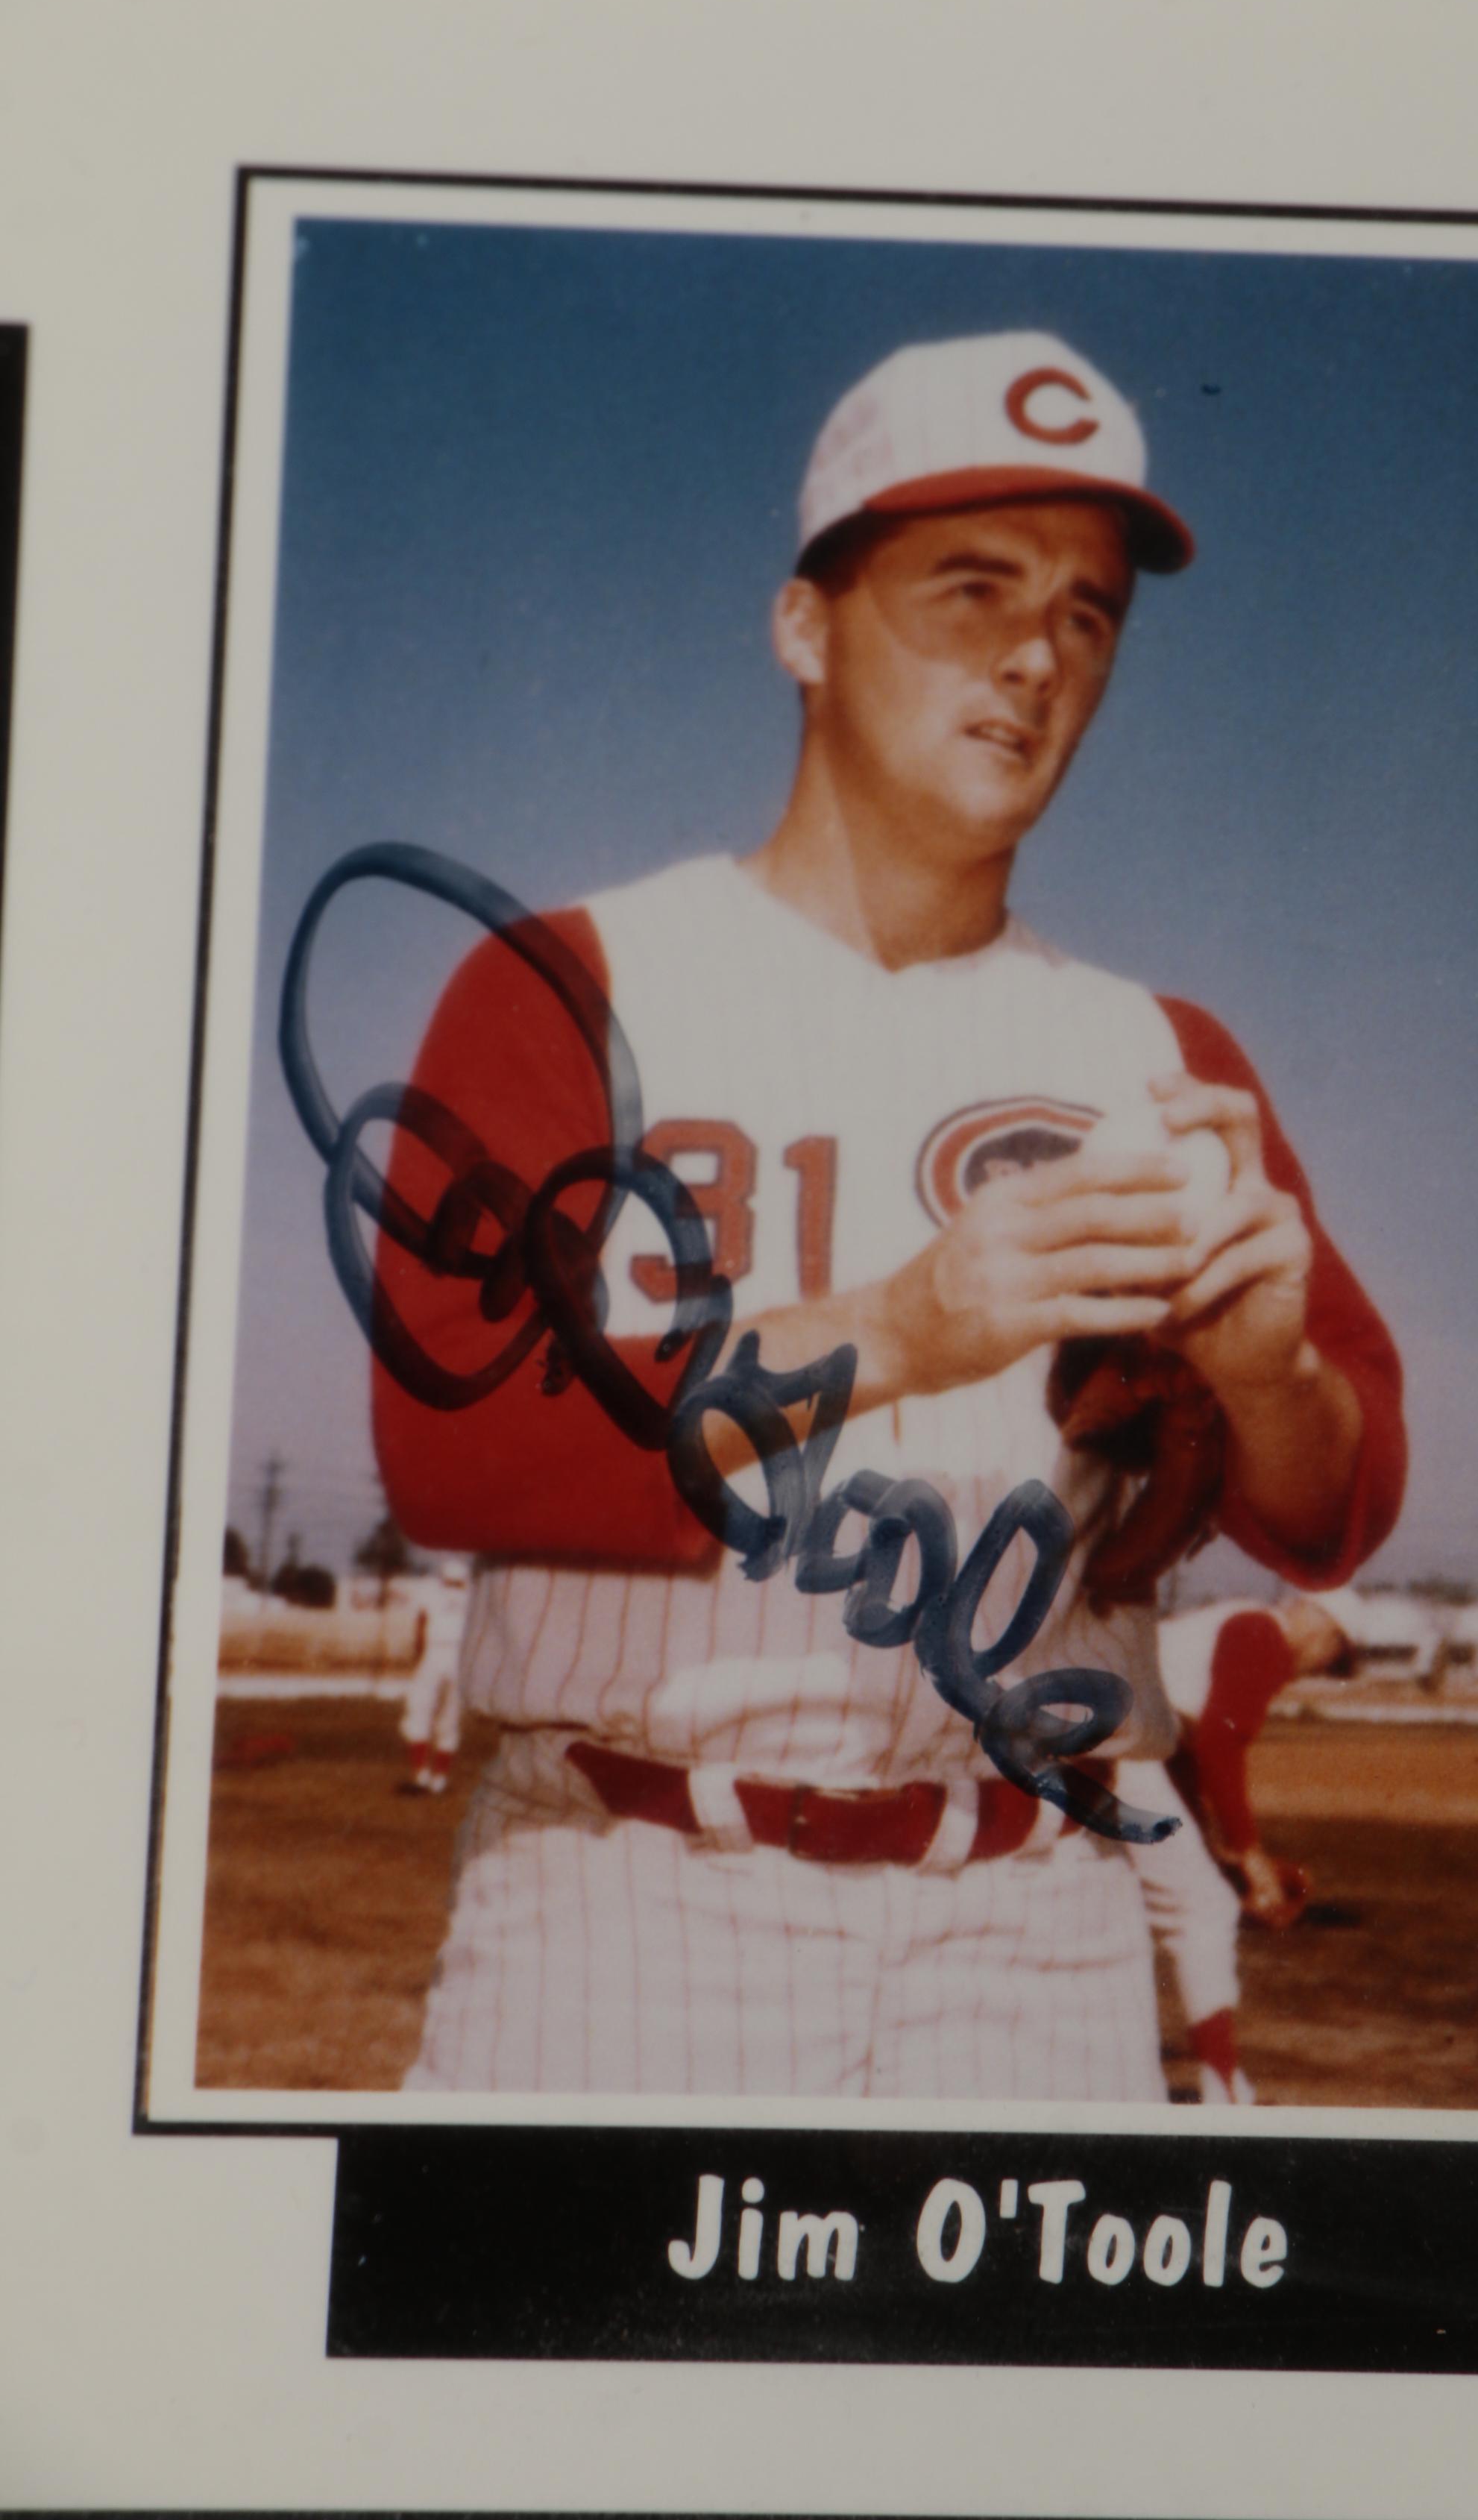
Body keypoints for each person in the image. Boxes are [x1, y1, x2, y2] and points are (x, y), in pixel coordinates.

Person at [373, 327, 1406, 2099]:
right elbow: (451, 1451)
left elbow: (1338, 1502)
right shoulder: (574, 983)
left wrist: (1263, 1371)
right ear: (804, 625)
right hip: (627, 1900)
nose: (1035, 655)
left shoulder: (1156, 1053)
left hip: (1036, 1927)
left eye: (1088, 613)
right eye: (971, 586)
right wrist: (898, 1328)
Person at [1125, 1589, 1358, 2101]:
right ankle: (1223, 2084)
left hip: (1095, 1732)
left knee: (1119, 1904)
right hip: (1113, 1739)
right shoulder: (1263, 1635)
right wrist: (1250, 1859)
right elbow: (1219, 1745)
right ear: (1320, 1626)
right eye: (1334, 1655)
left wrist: (1218, 1852)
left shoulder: (1230, 1626)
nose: (1321, 1668)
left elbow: (1180, 1755)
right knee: (1203, 1909)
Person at [396, 1556, 471, 1796]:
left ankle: (421, 1774)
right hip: (459, 1657)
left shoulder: (429, 1591)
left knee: (420, 1712)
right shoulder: (472, 1594)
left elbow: (421, 1624)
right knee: (449, 1719)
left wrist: (417, 1658)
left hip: (436, 1654)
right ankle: (439, 1779)